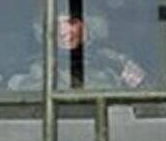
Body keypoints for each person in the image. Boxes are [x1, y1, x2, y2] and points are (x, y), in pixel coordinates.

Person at [10, 12, 147, 89]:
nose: (63, 31)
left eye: (71, 22)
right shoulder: (30, 65)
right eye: (55, 24)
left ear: (88, 25)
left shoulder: (114, 61)